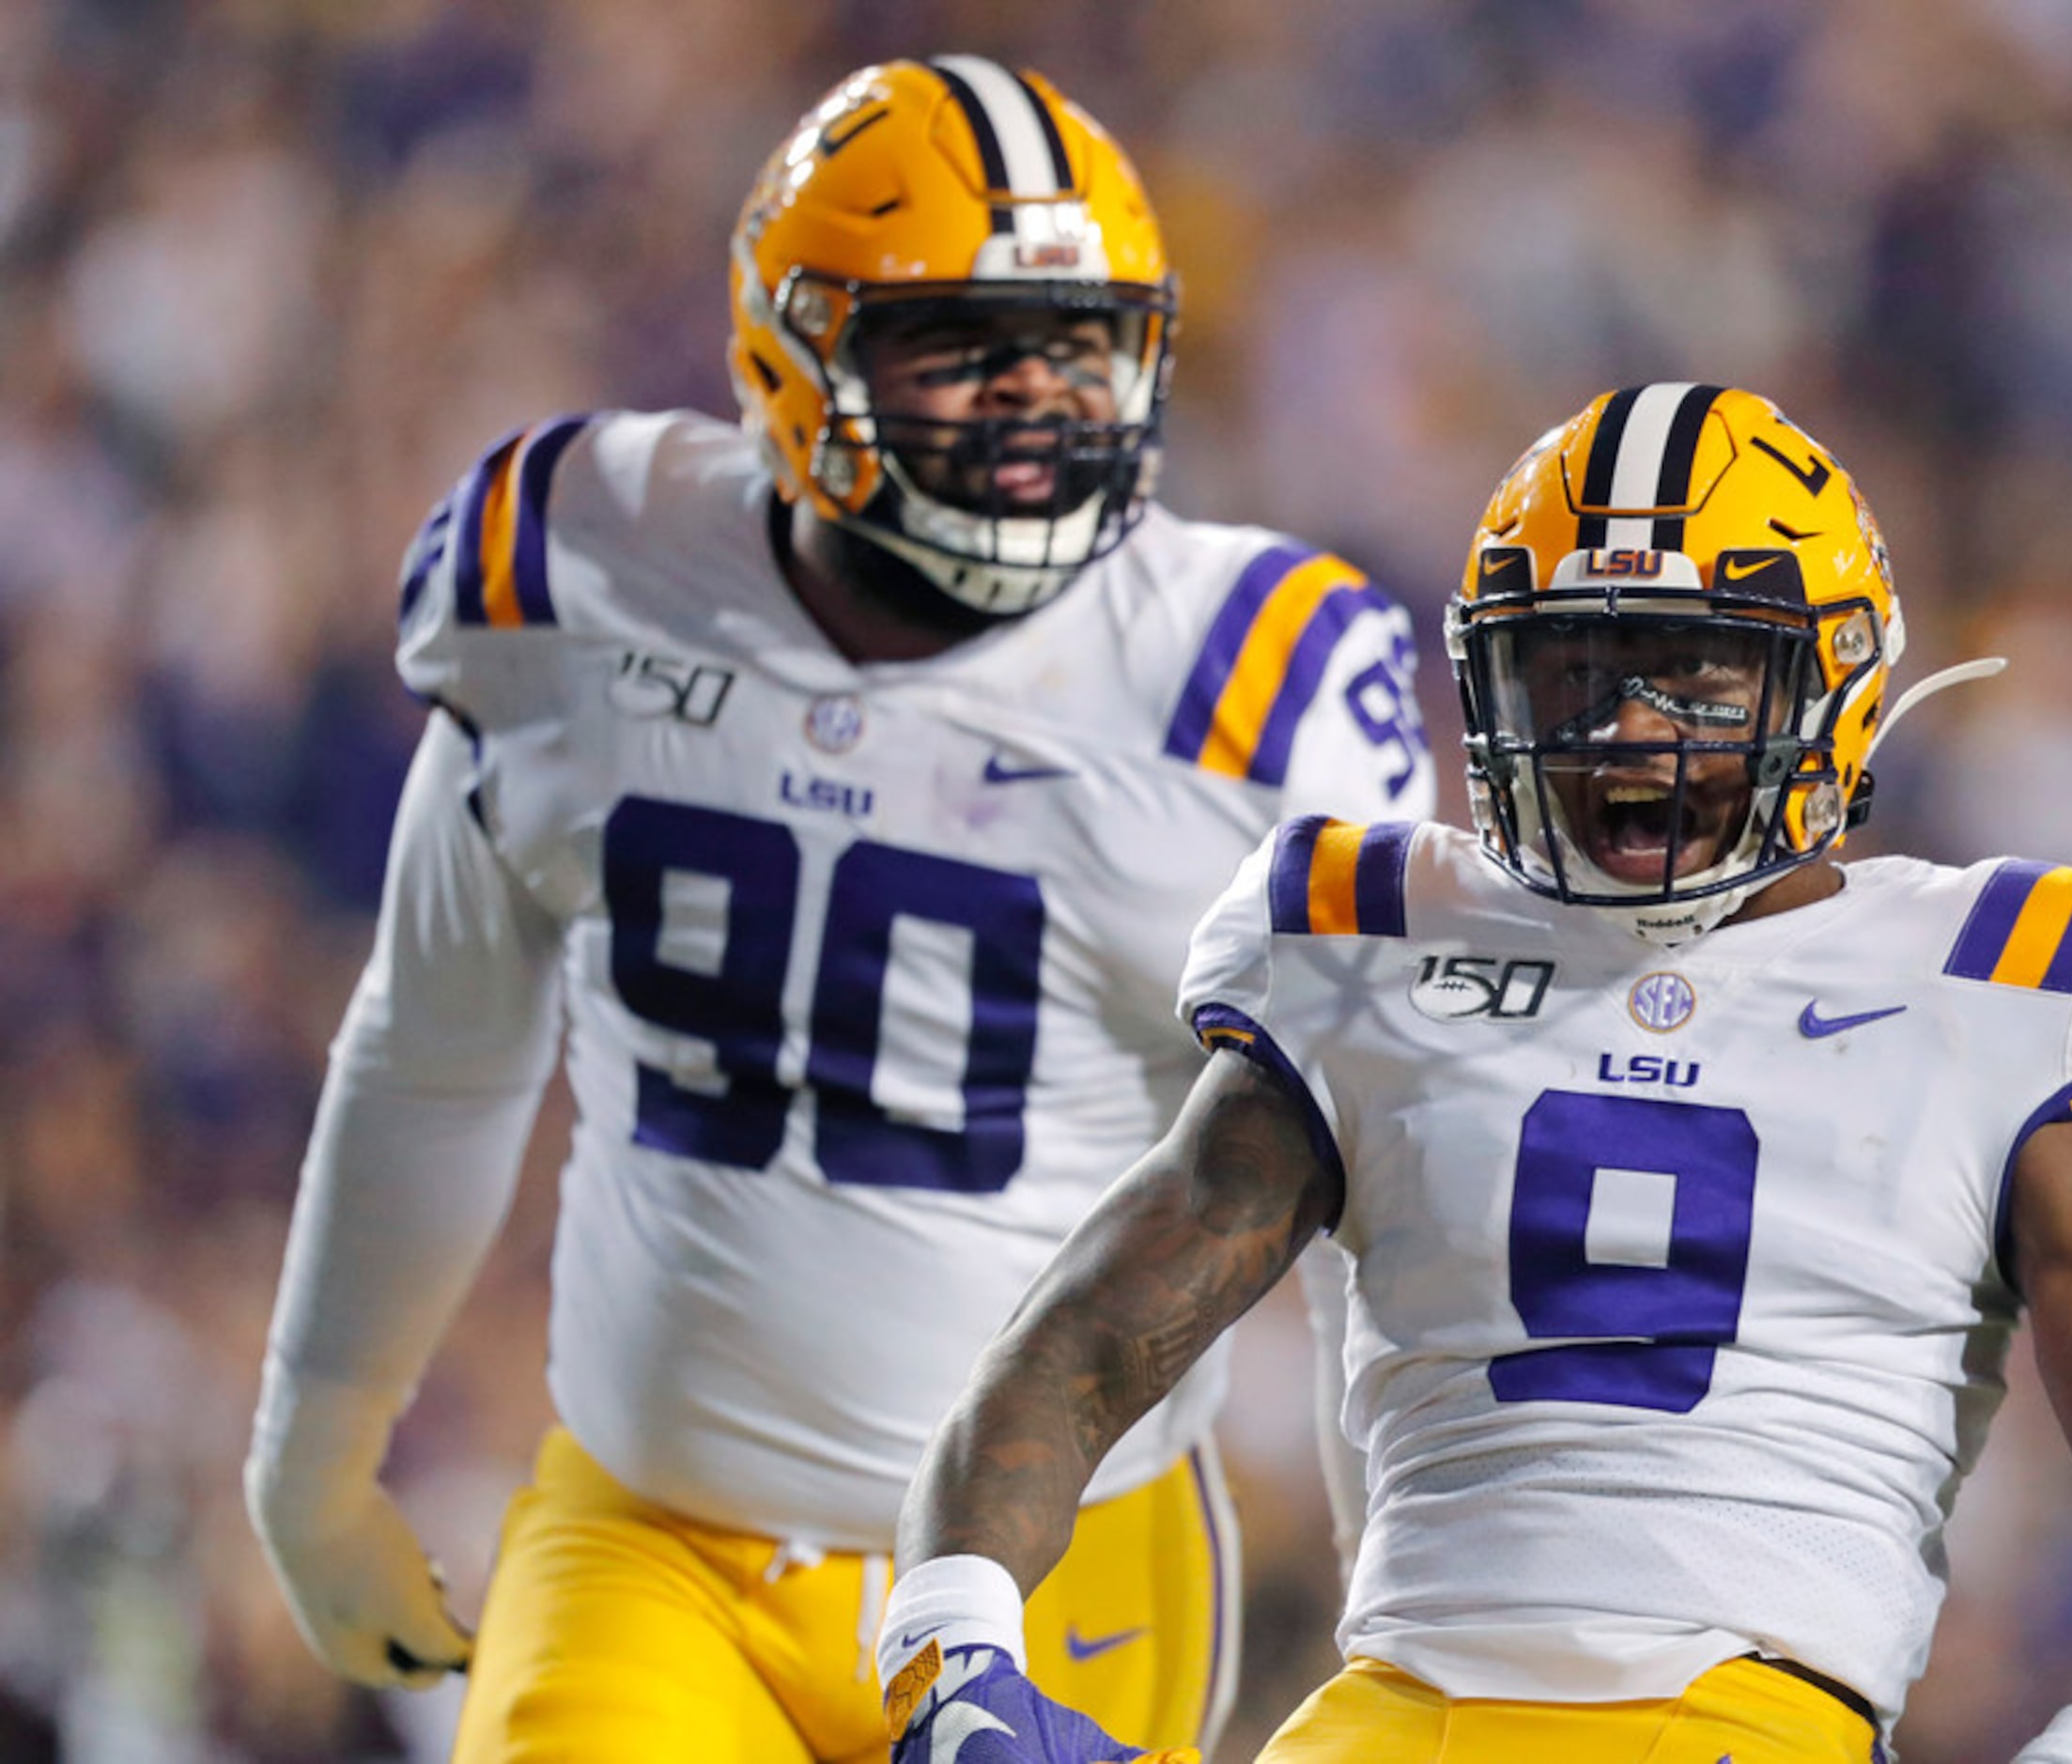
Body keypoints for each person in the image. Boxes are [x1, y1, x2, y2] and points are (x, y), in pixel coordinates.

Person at [240, 56, 1432, 1763]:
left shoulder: (1244, 686)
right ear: (790, 357)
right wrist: (316, 1441)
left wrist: (1412, 1597)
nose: (1037, 395)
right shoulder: (585, 581)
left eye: (1080, 338)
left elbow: (1383, 1193)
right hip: (652, 1540)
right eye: (960, 341)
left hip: (1061, 1562)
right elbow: (434, 1051)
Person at [868, 384, 2072, 1764]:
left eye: (1691, 669)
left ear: (1833, 676)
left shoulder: (2008, 975)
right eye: (1579, 668)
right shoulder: (1376, 933)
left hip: (1742, 1716)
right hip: (1389, 1711)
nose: (1625, 729)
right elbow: (1086, 1338)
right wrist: (958, 1641)